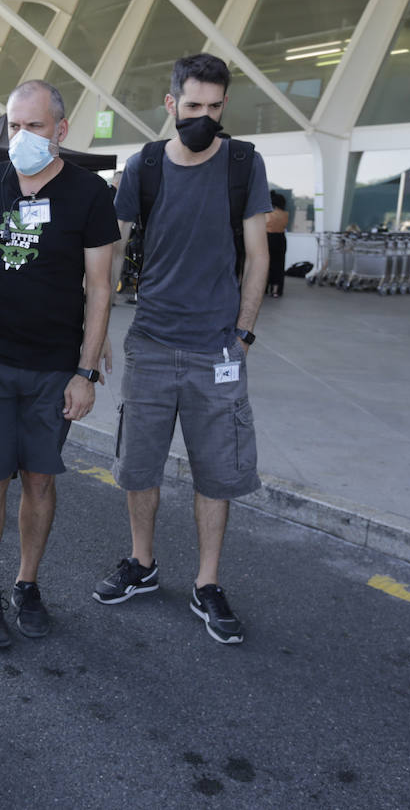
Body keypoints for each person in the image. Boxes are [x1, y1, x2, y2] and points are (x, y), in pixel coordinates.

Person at [94, 53, 270, 646]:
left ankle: (207, 582)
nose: (204, 118)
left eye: (215, 108)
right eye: (193, 106)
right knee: (138, 468)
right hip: (150, 342)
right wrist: (91, 331)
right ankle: (142, 564)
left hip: (215, 348)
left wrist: (242, 333)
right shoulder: (143, 165)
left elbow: (258, 254)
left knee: (216, 473)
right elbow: (109, 251)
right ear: (171, 105)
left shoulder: (242, 163)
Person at [0, 80, 118, 649]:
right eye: (14, 126)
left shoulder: (89, 193)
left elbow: (99, 286)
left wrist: (86, 372)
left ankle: (27, 584)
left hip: (54, 367)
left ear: (60, 130)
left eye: (34, 126)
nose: (21, 137)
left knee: (40, 478)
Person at [266, 190, 289, 298]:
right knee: (279, 265)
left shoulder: (269, 214)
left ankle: (264, 288)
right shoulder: (285, 214)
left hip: (269, 238)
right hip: (281, 239)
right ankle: (276, 291)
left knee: (266, 265)